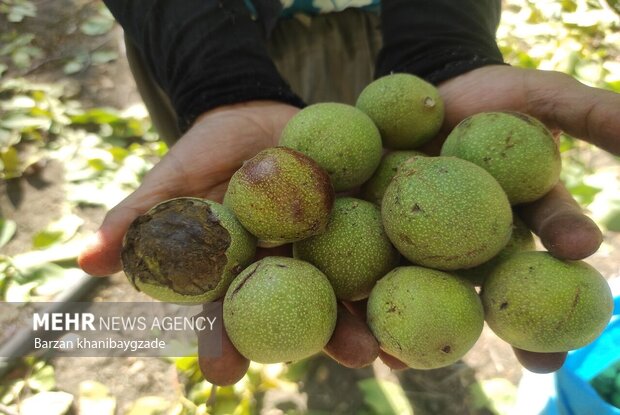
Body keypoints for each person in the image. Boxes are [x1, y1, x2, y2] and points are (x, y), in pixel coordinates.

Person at [78, 0, 620, 386]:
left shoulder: (421, 182)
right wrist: (220, 85)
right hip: (205, 46)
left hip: (399, 36)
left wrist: (444, 52)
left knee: (351, 330)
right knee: (343, 331)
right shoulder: (266, 207)